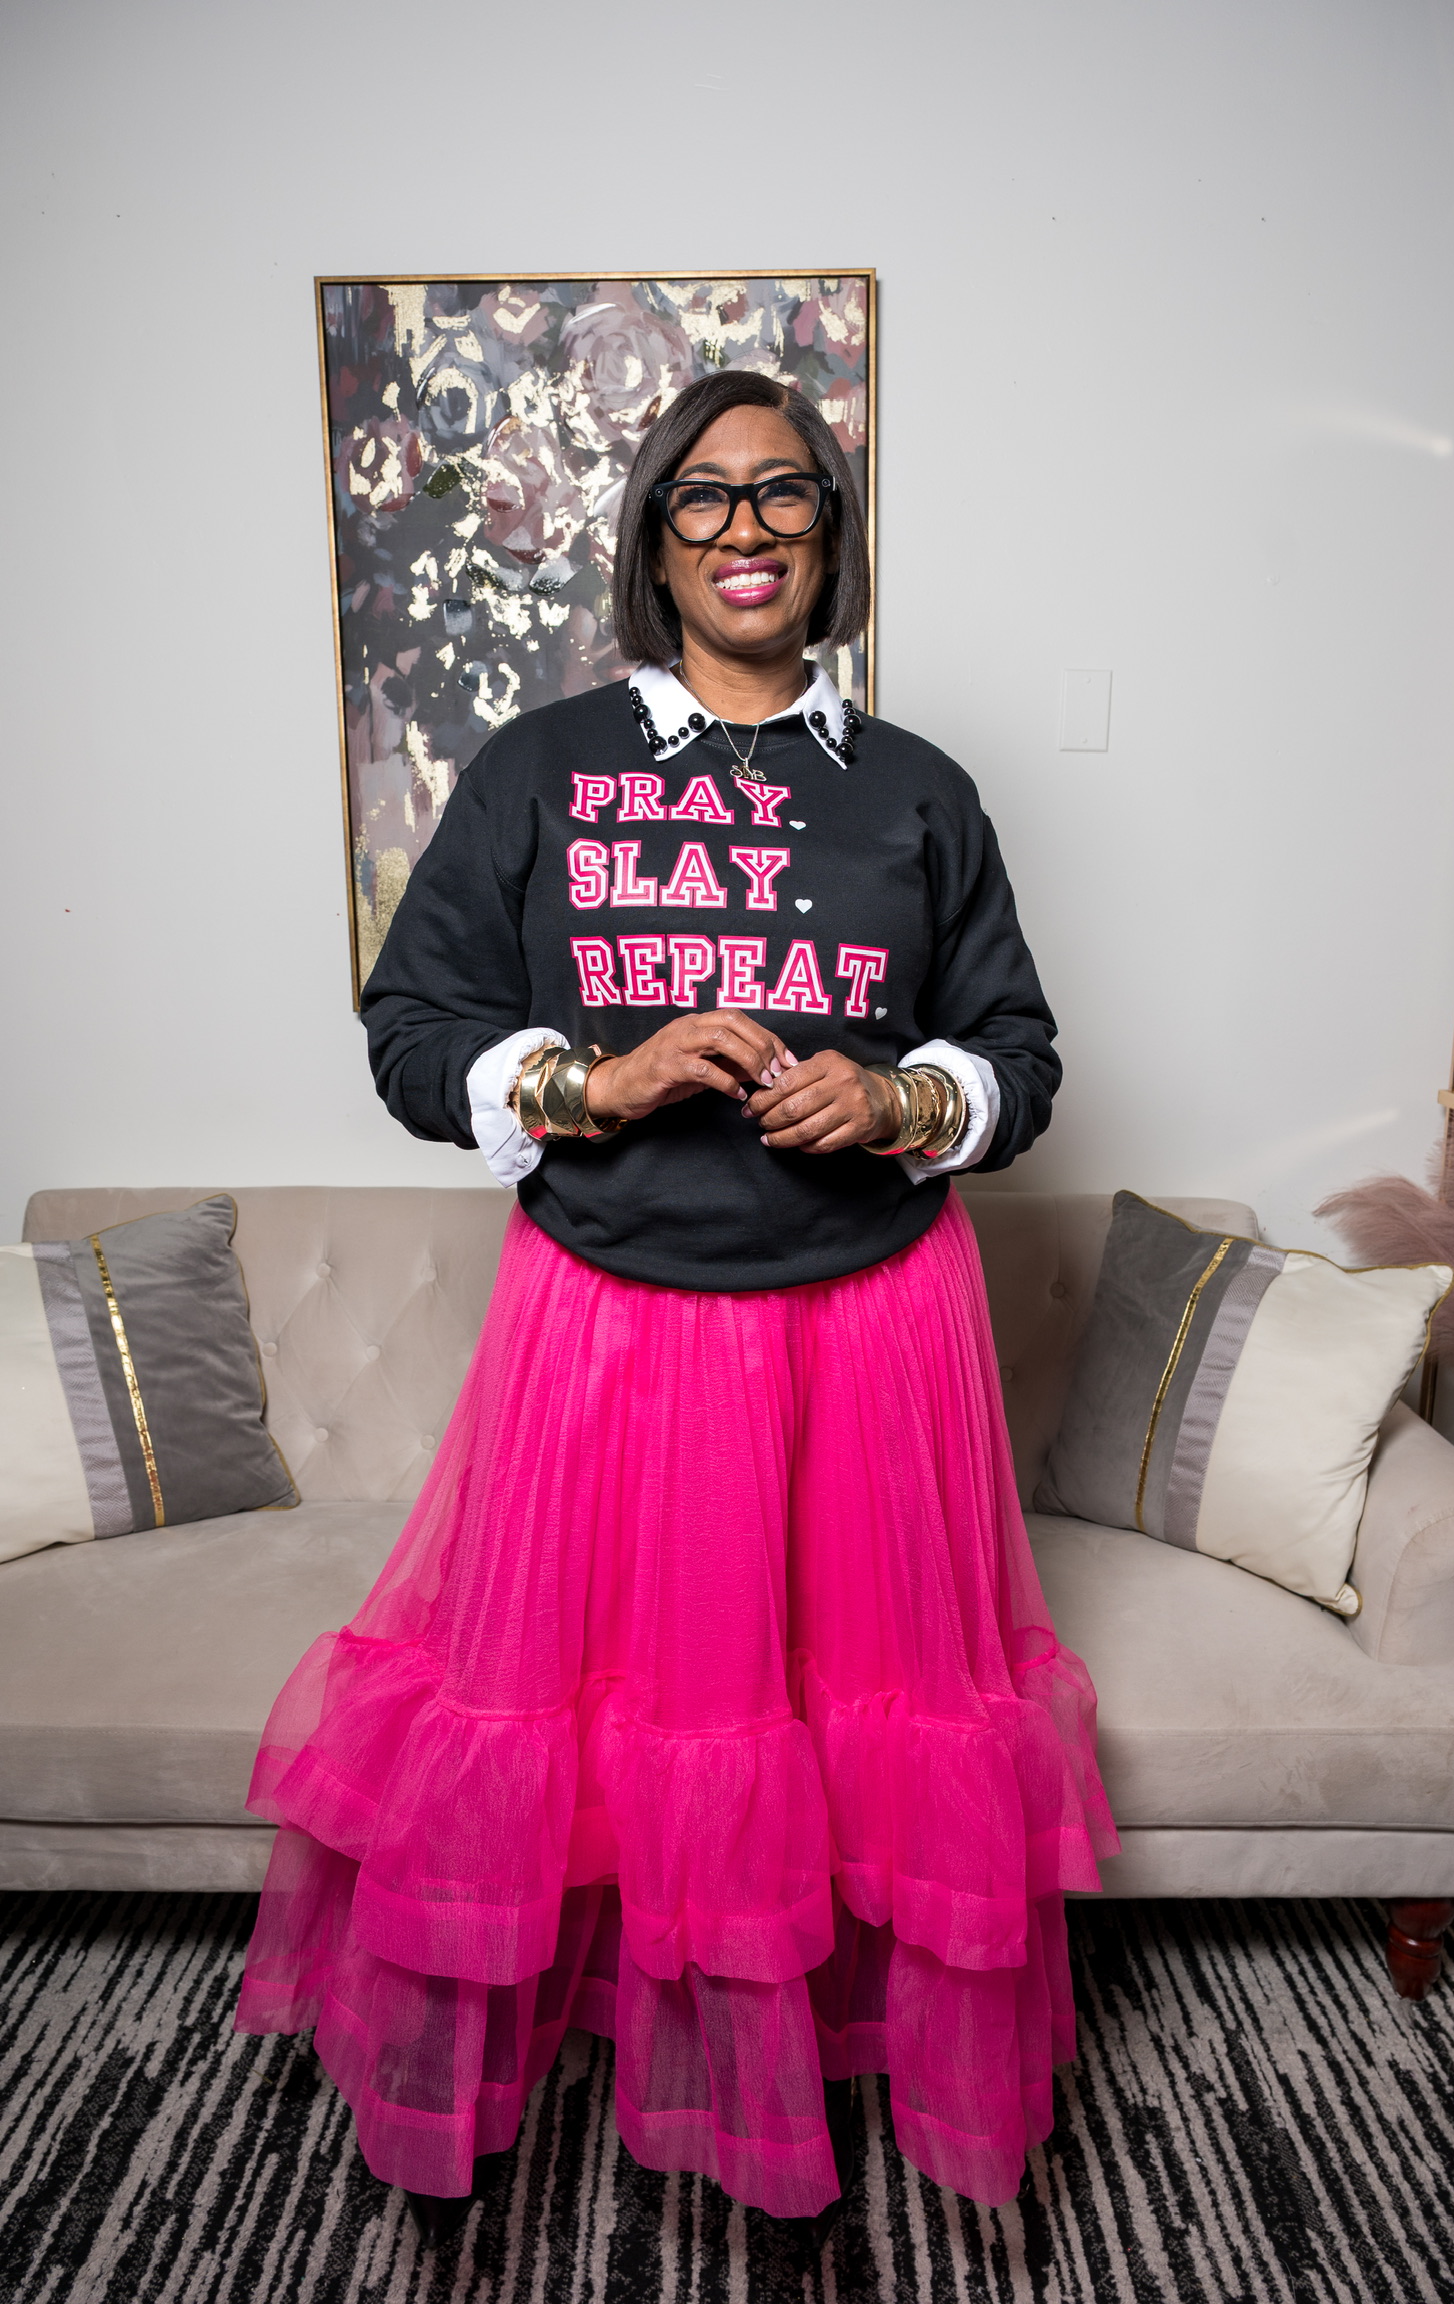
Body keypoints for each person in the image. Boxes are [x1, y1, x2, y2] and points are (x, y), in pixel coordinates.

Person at [235, 368, 1117, 2256]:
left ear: (829, 535)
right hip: (613, 1327)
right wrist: (594, 1082)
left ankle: (804, 2073)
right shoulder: (545, 768)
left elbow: (1024, 1055)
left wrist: (901, 1102)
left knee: (834, 1722)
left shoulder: (917, 789)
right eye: (702, 499)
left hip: (872, 1326)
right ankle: (638, 2072)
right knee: (608, 1724)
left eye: (782, 496)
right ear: (651, 537)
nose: (743, 530)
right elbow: (413, 1032)